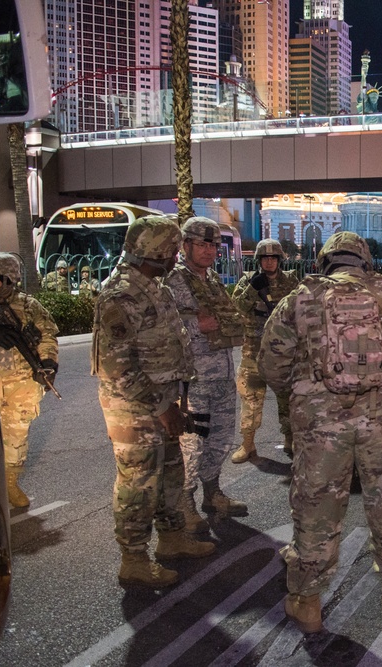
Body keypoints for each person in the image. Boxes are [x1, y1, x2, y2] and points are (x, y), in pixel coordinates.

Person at [258, 231, 382, 632]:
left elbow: (271, 365)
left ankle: (309, 601)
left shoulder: (299, 299)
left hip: (321, 426)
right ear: (364, 262)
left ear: (324, 261)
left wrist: (305, 392)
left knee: (316, 507)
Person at [92, 216, 215, 588]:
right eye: (173, 249)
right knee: (139, 484)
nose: (176, 255)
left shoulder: (151, 286)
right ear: (157, 251)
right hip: (135, 406)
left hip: (162, 402)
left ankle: (172, 538)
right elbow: (117, 366)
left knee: (170, 473)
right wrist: (161, 408)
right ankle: (133, 560)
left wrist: (171, 402)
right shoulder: (122, 293)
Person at [164, 217, 247, 534]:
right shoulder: (173, 283)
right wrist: (196, 326)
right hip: (192, 382)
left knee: (221, 441)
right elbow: (161, 327)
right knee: (191, 447)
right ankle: (184, 504)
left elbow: (230, 322)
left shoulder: (212, 282)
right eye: (202, 243)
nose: (209, 250)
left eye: (213, 244)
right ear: (185, 246)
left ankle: (212, 494)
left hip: (222, 378)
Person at [0, 252, 59, 508]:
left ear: (7, 279)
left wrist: (47, 365)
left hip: (20, 385)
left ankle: (9, 484)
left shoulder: (28, 306)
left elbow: (47, 336)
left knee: (15, 437)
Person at [230, 239, 299, 462]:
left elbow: (300, 308)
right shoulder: (248, 281)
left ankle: (291, 438)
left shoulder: (290, 280)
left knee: (288, 399)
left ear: (279, 260)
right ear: (258, 260)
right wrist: (252, 289)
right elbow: (237, 307)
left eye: (273, 258)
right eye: (265, 258)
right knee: (250, 399)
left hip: (283, 353)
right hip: (253, 351)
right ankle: (248, 444)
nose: (269, 262)